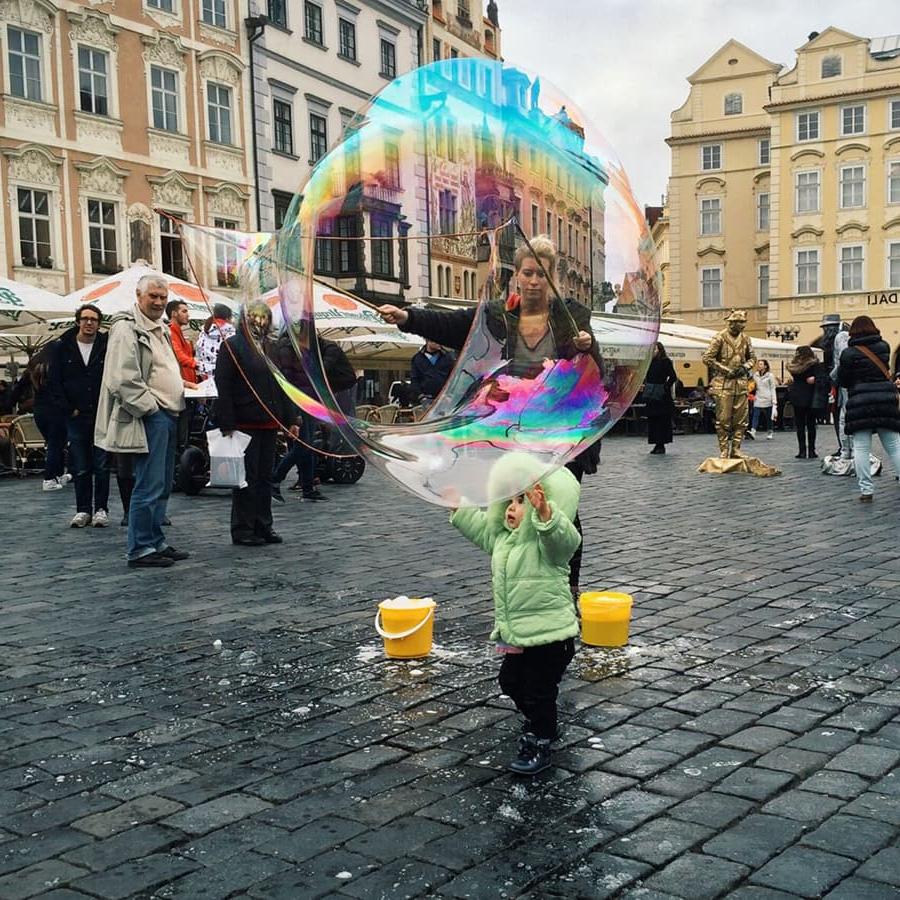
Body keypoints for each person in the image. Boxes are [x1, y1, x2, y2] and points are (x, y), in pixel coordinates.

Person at [378, 235, 598, 599]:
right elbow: (453, 324)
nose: (533, 281)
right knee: (514, 503)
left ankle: (566, 586)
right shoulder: (500, 314)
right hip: (513, 427)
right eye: (527, 272)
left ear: (552, 277)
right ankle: (519, 582)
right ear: (517, 275)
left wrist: (589, 347)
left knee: (560, 505)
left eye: (541, 275)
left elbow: (594, 372)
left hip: (562, 427)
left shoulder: (572, 316)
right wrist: (408, 317)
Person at [450, 452, 580, 776]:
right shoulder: (504, 541)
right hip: (518, 635)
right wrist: (459, 506)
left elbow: (566, 542)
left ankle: (540, 737)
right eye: (508, 500)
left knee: (538, 691)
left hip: (551, 637)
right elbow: (483, 531)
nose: (511, 507)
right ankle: (542, 721)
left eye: (521, 500)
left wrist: (546, 514)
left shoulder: (547, 543)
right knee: (509, 682)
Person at [95, 274, 187, 568]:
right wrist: (152, 408)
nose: (159, 302)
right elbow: (121, 378)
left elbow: (162, 369)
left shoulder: (159, 328)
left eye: (163, 297)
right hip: (153, 415)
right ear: (138, 295)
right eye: (153, 297)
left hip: (170, 413)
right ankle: (140, 548)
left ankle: (155, 540)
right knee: (148, 484)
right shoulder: (127, 328)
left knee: (162, 484)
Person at [215, 302, 296, 544]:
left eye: (264, 318)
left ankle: (263, 525)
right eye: (255, 318)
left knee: (264, 477)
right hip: (244, 422)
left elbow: (284, 386)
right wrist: (227, 422)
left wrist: (290, 419)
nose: (260, 322)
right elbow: (224, 385)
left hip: (268, 422)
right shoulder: (232, 346)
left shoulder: (271, 348)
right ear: (245, 320)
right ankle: (243, 529)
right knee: (246, 478)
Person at [49, 304, 110, 527]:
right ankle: (83, 510)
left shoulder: (106, 345)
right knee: (81, 465)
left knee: (102, 465)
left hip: (101, 412)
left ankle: (101, 509)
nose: (89, 323)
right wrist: (68, 408)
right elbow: (54, 382)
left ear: (99, 323)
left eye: (93, 319)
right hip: (76, 414)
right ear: (78, 322)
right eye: (85, 319)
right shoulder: (62, 347)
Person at [837, 315, 900, 502]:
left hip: (860, 401)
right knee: (894, 447)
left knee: (861, 448)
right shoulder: (884, 347)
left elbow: (843, 381)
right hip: (884, 400)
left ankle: (866, 490)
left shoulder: (848, 353)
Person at [11, 345, 71, 491]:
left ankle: (57, 475)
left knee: (54, 443)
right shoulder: (56, 368)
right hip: (56, 410)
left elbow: (16, 390)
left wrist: (11, 404)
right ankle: (49, 478)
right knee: (56, 444)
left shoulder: (31, 370)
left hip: (39, 411)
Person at [700, 309, 755, 458]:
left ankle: (736, 449)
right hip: (724, 384)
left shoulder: (746, 339)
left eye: (744, 322)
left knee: (741, 420)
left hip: (741, 384)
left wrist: (745, 367)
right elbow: (707, 358)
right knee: (723, 419)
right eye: (740, 323)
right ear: (732, 323)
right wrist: (725, 370)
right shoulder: (719, 338)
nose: (743, 326)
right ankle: (724, 450)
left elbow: (752, 358)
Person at [786, 346, 829, 459]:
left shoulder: (794, 366)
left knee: (801, 425)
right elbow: (823, 378)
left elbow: (822, 378)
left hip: (800, 396)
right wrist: (815, 379)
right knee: (810, 425)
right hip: (809, 396)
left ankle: (803, 450)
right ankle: (811, 450)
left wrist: (815, 379)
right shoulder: (815, 364)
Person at [642, 341, 676, 454]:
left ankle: (661, 444)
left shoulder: (665, 362)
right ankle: (656, 443)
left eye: (655, 349)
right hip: (651, 395)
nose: (653, 351)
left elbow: (673, 377)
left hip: (662, 396)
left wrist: (665, 387)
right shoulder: (649, 362)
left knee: (662, 420)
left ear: (660, 350)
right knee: (653, 420)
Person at [410, 340, 456, 406]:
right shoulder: (417, 358)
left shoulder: (447, 357)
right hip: (424, 399)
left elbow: (453, 378)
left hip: (444, 399)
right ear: (428, 341)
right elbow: (414, 380)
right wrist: (421, 396)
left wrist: (450, 394)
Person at [196, 304, 235, 381]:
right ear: (228, 318)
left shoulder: (203, 332)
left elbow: (198, 353)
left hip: (205, 375)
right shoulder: (231, 333)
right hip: (224, 375)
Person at [749, 359, 777, 440]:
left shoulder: (770, 375)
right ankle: (753, 431)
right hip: (758, 397)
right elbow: (753, 386)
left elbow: (772, 388)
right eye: (758, 364)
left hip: (768, 398)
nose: (759, 366)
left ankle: (770, 431)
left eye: (761, 364)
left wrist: (774, 400)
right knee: (755, 415)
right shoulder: (755, 375)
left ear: (765, 366)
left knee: (769, 416)